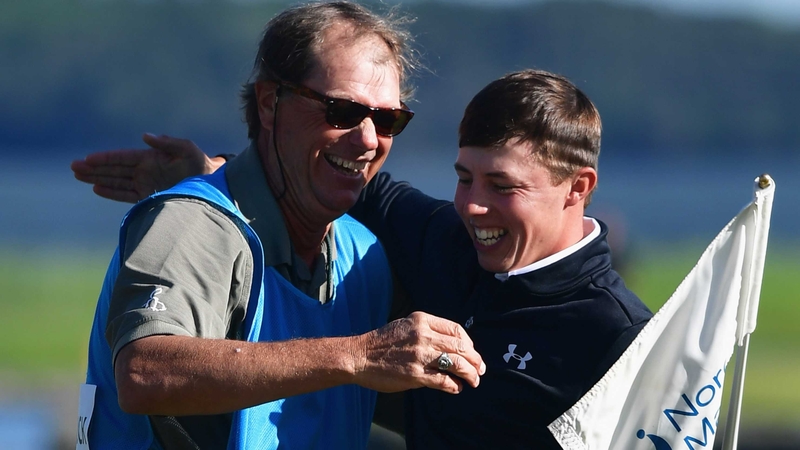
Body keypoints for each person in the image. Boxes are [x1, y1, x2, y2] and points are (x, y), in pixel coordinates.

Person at [74, 70, 653, 448]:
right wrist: (217, 176)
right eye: (463, 178)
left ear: (577, 188)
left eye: (501, 186)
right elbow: (344, 181)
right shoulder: (446, 237)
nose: (473, 207)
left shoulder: (622, 341)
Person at [73, 2, 485, 449]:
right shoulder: (191, 224)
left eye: (388, 119)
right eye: (342, 111)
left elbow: (436, 416)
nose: (368, 139)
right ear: (270, 103)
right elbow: (144, 371)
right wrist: (358, 354)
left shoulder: (363, 255)